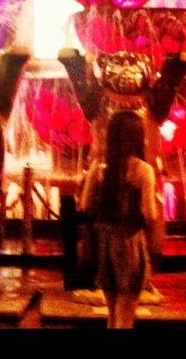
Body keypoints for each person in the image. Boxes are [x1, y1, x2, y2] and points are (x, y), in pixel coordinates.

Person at [79, 109, 160, 328]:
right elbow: (149, 213)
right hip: (130, 244)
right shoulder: (143, 170)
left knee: (113, 314)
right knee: (125, 316)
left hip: (104, 242)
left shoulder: (99, 167)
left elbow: (84, 205)